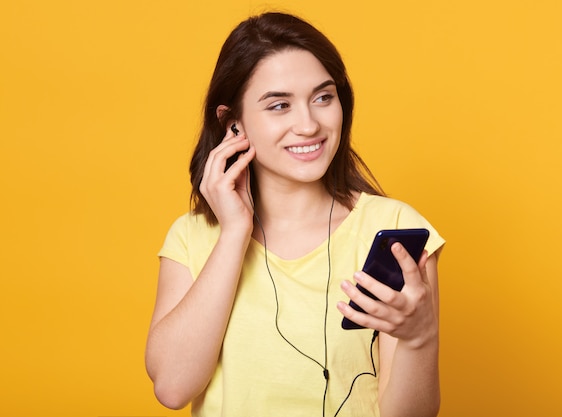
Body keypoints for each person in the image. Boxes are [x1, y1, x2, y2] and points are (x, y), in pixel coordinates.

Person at [145, 12, 445, 417]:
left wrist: (419, 338)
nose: (308, 125)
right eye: (279, 105)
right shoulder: (191, 237)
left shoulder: (391, 229)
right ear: (233, 124)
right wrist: (235, 232)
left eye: (323, 97)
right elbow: (172, 387)